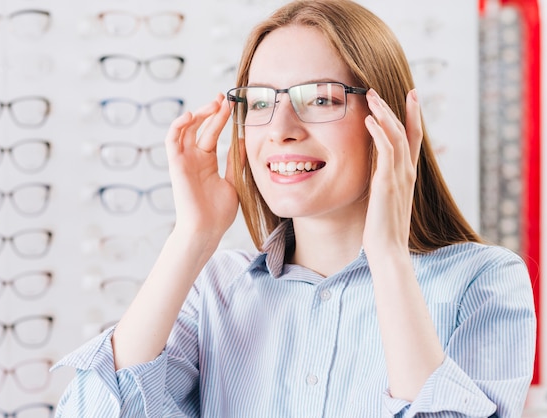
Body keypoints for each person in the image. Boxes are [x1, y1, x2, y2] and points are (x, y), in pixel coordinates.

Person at [52, 0, 537, 416]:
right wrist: (192, 236)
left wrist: (387, 255)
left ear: (385, 120)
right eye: (259, 102)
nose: (281, 127)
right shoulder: (217, 292)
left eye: (321, 98)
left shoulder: (483, 281)